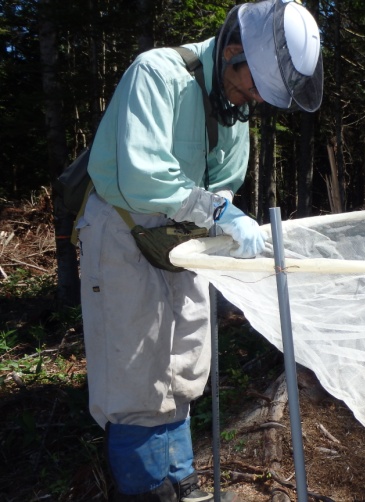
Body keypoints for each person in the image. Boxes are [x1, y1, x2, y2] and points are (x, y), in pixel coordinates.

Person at [77, 1, 322, 501]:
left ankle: (180, 482)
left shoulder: (235, 107)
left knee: (183, 361)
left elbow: (225, 180)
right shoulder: (158, 74)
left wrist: (224, 213)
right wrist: (218, 213)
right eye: (252, 85)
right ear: (232, 52)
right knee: (135, 370)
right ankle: (147, 489)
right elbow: (142, 175)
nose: (254, 100)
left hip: (185, 233)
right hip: (124, 227)